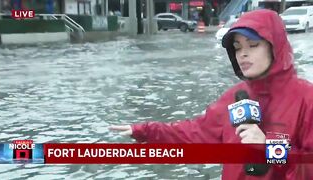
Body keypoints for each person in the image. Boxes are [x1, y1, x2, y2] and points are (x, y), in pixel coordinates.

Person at [110, 9, 313, 179]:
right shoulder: (235, 97)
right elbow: (194, 132)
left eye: (252, 45)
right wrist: (144, 130)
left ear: (274, 46)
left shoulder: (307, 98)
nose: (243, 54)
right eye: (237, 47)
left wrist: (269, 148)